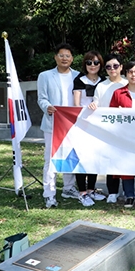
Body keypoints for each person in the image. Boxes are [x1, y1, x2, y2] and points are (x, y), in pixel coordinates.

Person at [37, 43, 80, 208]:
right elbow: (41, 97)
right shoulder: (45, 76)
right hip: (52, 123)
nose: (64, 58)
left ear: (72, 58)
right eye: (61, 55)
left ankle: (68, 188)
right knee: (50, 158)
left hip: (72, 124)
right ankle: (49, 193)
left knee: (71, 156)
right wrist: (47, 107)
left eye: (68, 56)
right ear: (55, 57)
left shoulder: (78, 76)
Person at [108, 61, 135, 208]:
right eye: (131, 72)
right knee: (126, 165)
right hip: (125, 134)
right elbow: (111, 115)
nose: (134, 75)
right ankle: (129, 194)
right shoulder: (118, 93)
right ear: (126, 74)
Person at [88, 54, 128, 204]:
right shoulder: (102, 85)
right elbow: (96, 102)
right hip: (107, 128)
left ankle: (128, 190)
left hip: (126, 128)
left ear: (121, 67)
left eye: (116, 66)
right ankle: (112, 191)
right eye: (109, 67)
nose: (112, 69)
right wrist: (93, 105)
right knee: (111, 160)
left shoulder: (126, 83)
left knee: (126, 160)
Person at [72, 50, 106, 207]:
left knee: (95, 157)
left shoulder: (104, 81)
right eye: (89, 63)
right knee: (82, 157)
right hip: (82, 124)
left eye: (96, 63)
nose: (93, 66)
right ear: (85, 64)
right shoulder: (79, 80)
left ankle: (92, 189)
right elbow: (76, 104)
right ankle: (82, 192)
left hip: (99, 125)